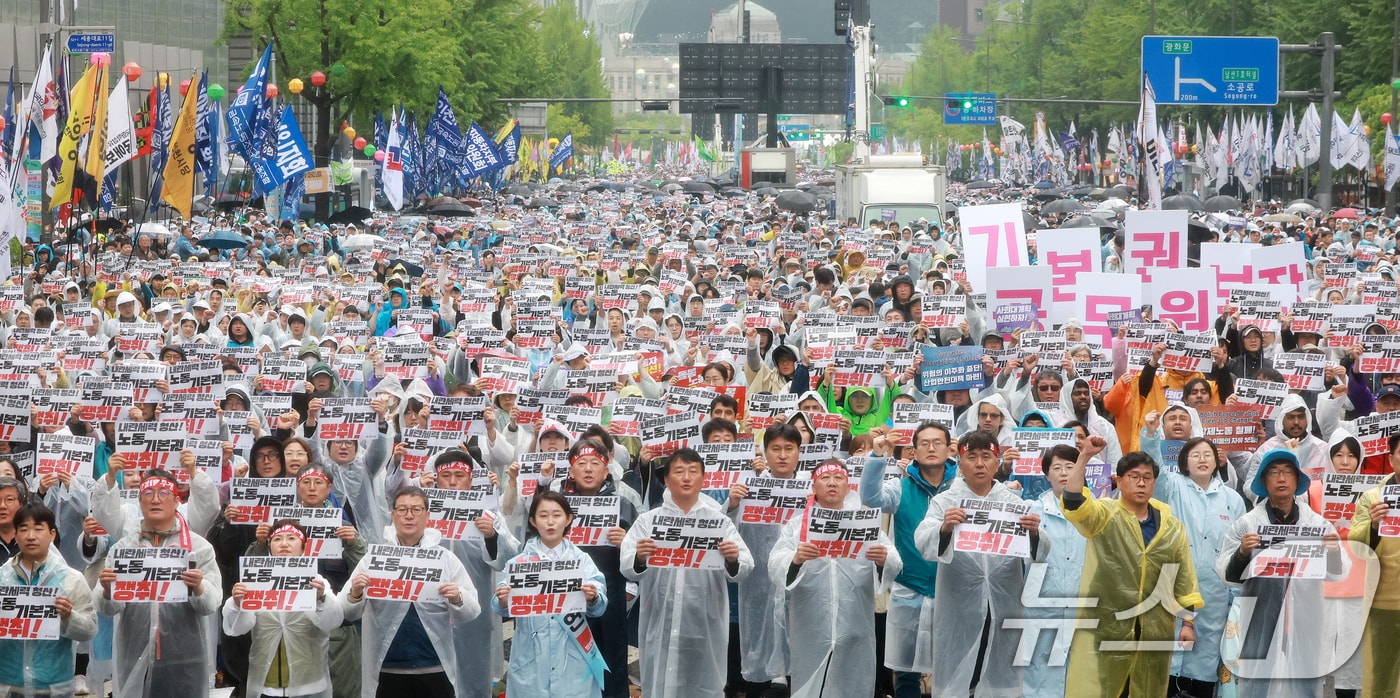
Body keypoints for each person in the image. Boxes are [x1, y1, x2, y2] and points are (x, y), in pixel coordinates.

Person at [1059, 439, 1203, 698]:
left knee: (1148, 689)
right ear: (1119, 480)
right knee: (1106, 688)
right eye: (1134, 477)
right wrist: (1084, 457)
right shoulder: (1105, 515)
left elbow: (1184, 577)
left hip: (1155, 627)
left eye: (1147, 478)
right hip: (1109, 624)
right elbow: (1073, 503)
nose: (1141, 483)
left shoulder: (1171, 527)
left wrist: (1188, 623)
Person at [913, 430, 1046, 697]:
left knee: (1000, 676)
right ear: (960, 464)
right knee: (959, 676)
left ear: (997, 463)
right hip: (959, 606)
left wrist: (1034, 533)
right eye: (971, 457)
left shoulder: (1013, 503)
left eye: (986, 456)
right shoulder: (945, 502)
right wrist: (944, 528)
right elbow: (922, 541)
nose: (980, 464)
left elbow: (1040, 553)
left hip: (1004, 602)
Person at [621, 447, 753, 698]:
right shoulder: (648, 521)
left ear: (703, 478)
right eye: (679, 471)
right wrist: (639, 556)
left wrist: (733, 558)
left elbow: (745, 566)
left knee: (702, 682)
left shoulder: (719, 521)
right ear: (666, 479)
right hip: (660, 616)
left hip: (704, 620)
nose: (686, 478)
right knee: (660, 680)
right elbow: (626, 565)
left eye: (693, 471)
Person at [1216, 449, 1348, 698]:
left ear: (1297, 480)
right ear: (1264, 481)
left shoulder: (1316, 524)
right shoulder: (1247, 524)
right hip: (1260, 613)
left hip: (1306, 614)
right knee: (1257, 680)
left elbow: (1337, 573)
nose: (1281, 478)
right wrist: (1242, 553)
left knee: (1305, 679)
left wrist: (1332, 551)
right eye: (1274, 473)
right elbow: (1227, 574)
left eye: (1288, 472)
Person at [768, 460, 900, 698]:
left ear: (848, 487)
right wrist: (795, 559)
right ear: (814, 487)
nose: (832, 483)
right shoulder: (797, 526)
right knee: (810, 686)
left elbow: (894, 560)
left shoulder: (863, 523)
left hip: (855, 622)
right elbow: (775, 562)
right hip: (811, 623)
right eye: (825, 478)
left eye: (838, 478)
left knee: (853, 683)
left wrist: (883, 560)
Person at [94, 469, 224, 698]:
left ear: (177, 500)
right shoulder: (123, 549)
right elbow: (107, 609)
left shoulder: (198, 548)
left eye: (164, 493)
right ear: (139, 501)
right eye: (148, 493)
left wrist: (199, 588)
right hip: (133, 654)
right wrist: (107, 590)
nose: (155, 499)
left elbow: (211, 604)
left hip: (185, 656)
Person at [340, 486, 480, 697]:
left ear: (427, 515)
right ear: (393, 515)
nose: (409, 516)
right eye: (403, 510)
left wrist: (458, 597)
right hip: (386, 667)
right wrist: (355, 593)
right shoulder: (374, 559)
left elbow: (473, 611)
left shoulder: (445, 559)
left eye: (416, 510)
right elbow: (346, 611)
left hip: (434, 664)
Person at [858, 423, 957, 698]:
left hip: (953, 590)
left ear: (949, 449)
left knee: (952, 670)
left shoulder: (961, 487)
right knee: (905, 672)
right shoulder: (900, 488)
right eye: (924, 443)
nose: (931, 448)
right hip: (910, 588)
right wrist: (877, 457)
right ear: (914, 451)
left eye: (938, 442)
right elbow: (871, 498)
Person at [1151, 436, 1246, 698]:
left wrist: (1236, 596)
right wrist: (1150, 436)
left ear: (1217, 461)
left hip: (1214, 594)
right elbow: (1155, 469)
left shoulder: (1232, 499)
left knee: (1205, 659)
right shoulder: (1172, 487)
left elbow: (1236, 551)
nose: (1202, 459)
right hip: (1173, 584)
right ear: (1184, 462)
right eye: (1195, 455)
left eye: (1207, 454)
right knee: (1167, 658)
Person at [491, 491, 609, 698]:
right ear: (533, 521)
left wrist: (593, 597)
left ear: (568, 519)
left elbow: (599, 605)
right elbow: (499, 605)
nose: (550, 522)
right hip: (530, 656)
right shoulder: (519, 563)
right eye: (543, 515)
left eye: (557, 515)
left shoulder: (581, 560)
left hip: (572, 654)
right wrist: (502, 600)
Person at [222, 520, 345, 698]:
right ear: (269, 546)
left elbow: (333, 621)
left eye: (291, 538)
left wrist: (320, 599)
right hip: (266, 684)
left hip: (309, 683)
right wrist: (236, 603)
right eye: (277, 539)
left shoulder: (316, 581)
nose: (284, 544)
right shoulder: (255, 580)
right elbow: (236, 628)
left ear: (304, 547)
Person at [0, 502, 99, 697]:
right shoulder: (3, 578)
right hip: (7, 684)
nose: (30, 536)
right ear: (16, 535)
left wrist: (69, 616)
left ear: (52, 534)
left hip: (54, 686)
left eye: (38, 529)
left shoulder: (70, 579)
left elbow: (89, 631)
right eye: (24, 529)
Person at [1021, 444, 1087, 697]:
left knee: (1079, 673)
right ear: (1046, 474)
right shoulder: (1032, 511)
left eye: (1070, 467)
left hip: (1084, 603)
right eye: (1056, 468)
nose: (1064, 473)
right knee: (1039, 672)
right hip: (1043, 606)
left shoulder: (1096, 510)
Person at [1346, 433, 1400, 698]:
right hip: (1383, 601)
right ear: (1391, 459)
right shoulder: (1372, 497)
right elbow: (1355, 544)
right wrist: (1374, 524)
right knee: (1381, 678)